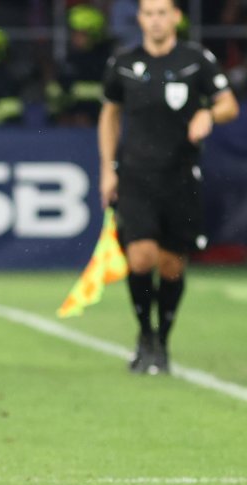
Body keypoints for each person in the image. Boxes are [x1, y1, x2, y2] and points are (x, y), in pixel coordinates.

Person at [98, 0, 239, 374]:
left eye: (163, 12)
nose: (156, 20)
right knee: (141, 256)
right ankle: (145, 335)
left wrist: (208, 112)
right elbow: (110, 113)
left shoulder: (196, 60)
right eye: (149, 13)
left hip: (180, 177)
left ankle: (163, 339)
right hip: (135, 176)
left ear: (176, 17)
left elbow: (229, 105)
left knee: (172, 265)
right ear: (140, 19)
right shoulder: (123, 63)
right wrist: (107, 170)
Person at [46, 4, 112, 127]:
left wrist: (74, 90)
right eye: (73, 32)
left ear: (94, 34)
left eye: (80, 33)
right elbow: (58, 90)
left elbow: (111, 93)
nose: (74, 37)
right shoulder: (71, 58)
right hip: (68, 122)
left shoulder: (107, 59)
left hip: (96, 121)